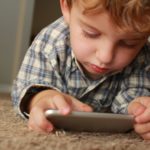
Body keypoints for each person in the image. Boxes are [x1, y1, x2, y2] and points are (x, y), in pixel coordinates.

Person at [12, 0, 150, 140]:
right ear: (66, 8)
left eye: (128, 43)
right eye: (91, 34)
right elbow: (29, 85)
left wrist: (140, 109)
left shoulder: (142, 55)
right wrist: (41, 98)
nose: (105, 57)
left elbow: (133, 93)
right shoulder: (51, 42)